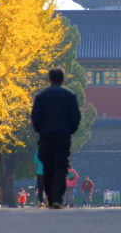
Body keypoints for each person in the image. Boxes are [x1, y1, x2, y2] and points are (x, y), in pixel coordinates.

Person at [31, 67, 82, 210]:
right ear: (63, 79)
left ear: (49, 79)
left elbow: (35, 117)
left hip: (46, 136)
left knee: (48, 167)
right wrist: (69, 130)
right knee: (60, 167)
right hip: (63, 135)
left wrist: (41, 130)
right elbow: (76, 117)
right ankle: (58, 199)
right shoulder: (69, 95)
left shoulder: (41, 96)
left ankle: (51, 198)